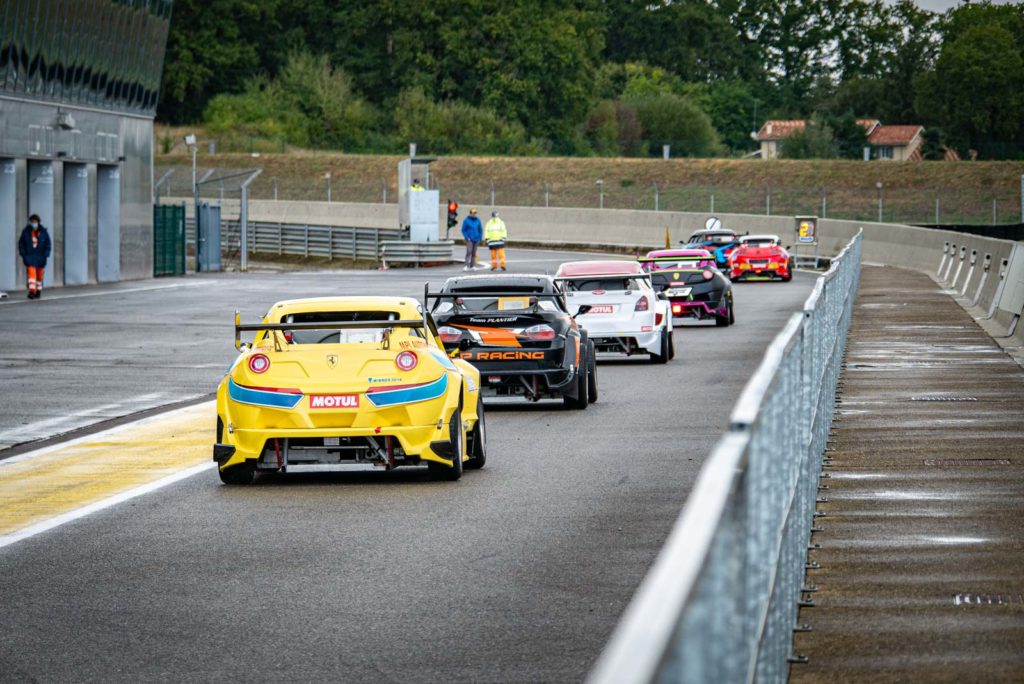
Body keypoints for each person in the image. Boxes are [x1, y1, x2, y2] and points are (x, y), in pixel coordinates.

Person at [18, 214, 51, 300]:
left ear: (38, 222)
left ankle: (38, 290)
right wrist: (23, 254)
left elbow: (48, 244)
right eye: (32, 222)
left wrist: (45, 254)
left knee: (39, 275)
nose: (33, 224)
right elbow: (21, 244)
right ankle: (32, 291)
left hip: (40, 257)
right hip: (30, 256)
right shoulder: (26, 232)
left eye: (35, 222)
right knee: (31, 272)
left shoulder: (43, 232)